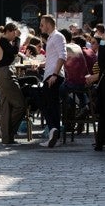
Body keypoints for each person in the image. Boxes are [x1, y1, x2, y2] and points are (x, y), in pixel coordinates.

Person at [0, 22, 26, 145]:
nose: (15, 35)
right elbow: (14, 51)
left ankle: (7, 137)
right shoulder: (3, 41)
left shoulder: (2, 41)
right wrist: (18, 39)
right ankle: (6, 131)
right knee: (20, 105)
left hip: (2, 74)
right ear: (9, 31)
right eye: (14, 32)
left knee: (7, 107)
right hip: (5, 73)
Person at [39, 15, 66, 148]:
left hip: (53, 76)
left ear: (48, 24)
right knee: (51, 105)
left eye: (42, 24)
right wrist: (41, 65)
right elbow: (54, 58)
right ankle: (55, 133)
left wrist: (55, 74)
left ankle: (53, 130)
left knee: (46, 103)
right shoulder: (52, 38)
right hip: (51, 74)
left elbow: (62, 56)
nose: (40, 27)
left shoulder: (57, 36)